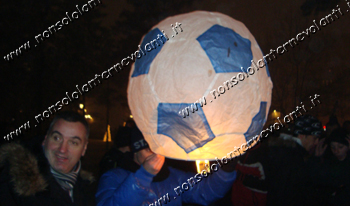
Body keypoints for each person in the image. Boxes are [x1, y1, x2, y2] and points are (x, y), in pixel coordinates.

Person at [96, 127, 237, 206]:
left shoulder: (172, 176)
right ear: (135, 152)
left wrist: (226, 170)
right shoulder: (114, 177)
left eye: (157, 150)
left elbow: (205, 192)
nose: (154, 155)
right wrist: (144, 176)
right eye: (148, 150)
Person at [0, 111, 95, 206]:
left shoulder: (89, 189)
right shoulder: (13, 182)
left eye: (73, 143)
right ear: (45, 139)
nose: (62, 149)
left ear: (84, 149)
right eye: (57, 138)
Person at [264, 114, 323, 206]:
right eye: (314, 138)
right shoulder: (293, 157)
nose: (316, 142)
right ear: (302, 136)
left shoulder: (284, 151)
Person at [308, 128, 350, 205]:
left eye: (340, 147)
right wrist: (316, 159)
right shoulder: (329, 162)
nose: (336, 151)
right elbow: (317, 181)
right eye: (333, 147)